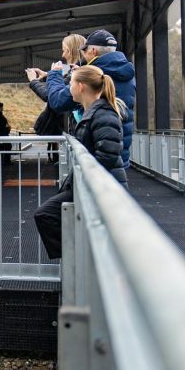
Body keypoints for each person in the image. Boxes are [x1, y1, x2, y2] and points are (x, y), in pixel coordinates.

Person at [34, 66, 128, 258]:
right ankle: (77, 262)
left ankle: (76, 262)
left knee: (46, 214)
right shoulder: (92, 111)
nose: (68, 88)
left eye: (71, 83)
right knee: (47, 214)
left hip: (101, 187)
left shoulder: (103, 114)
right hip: (93, 185)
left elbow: (108, 156)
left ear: (81, 86)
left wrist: (85, 179)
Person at [44, 29, 136, 167]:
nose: (83, 55)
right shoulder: (127, 73)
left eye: (85, 50)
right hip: (119, 149)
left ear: (93, 51)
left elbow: (59, 101)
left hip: (96, 154)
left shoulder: (93, 75)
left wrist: (54, 76)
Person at [27, 34, 86, 161]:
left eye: (64, 50)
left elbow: (52, 97)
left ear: (70, 51)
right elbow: (64, 81)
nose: (63, 55)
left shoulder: (78, 74)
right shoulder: (84, 70)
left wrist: (33, 82)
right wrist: (47, 75)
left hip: (79, 133)